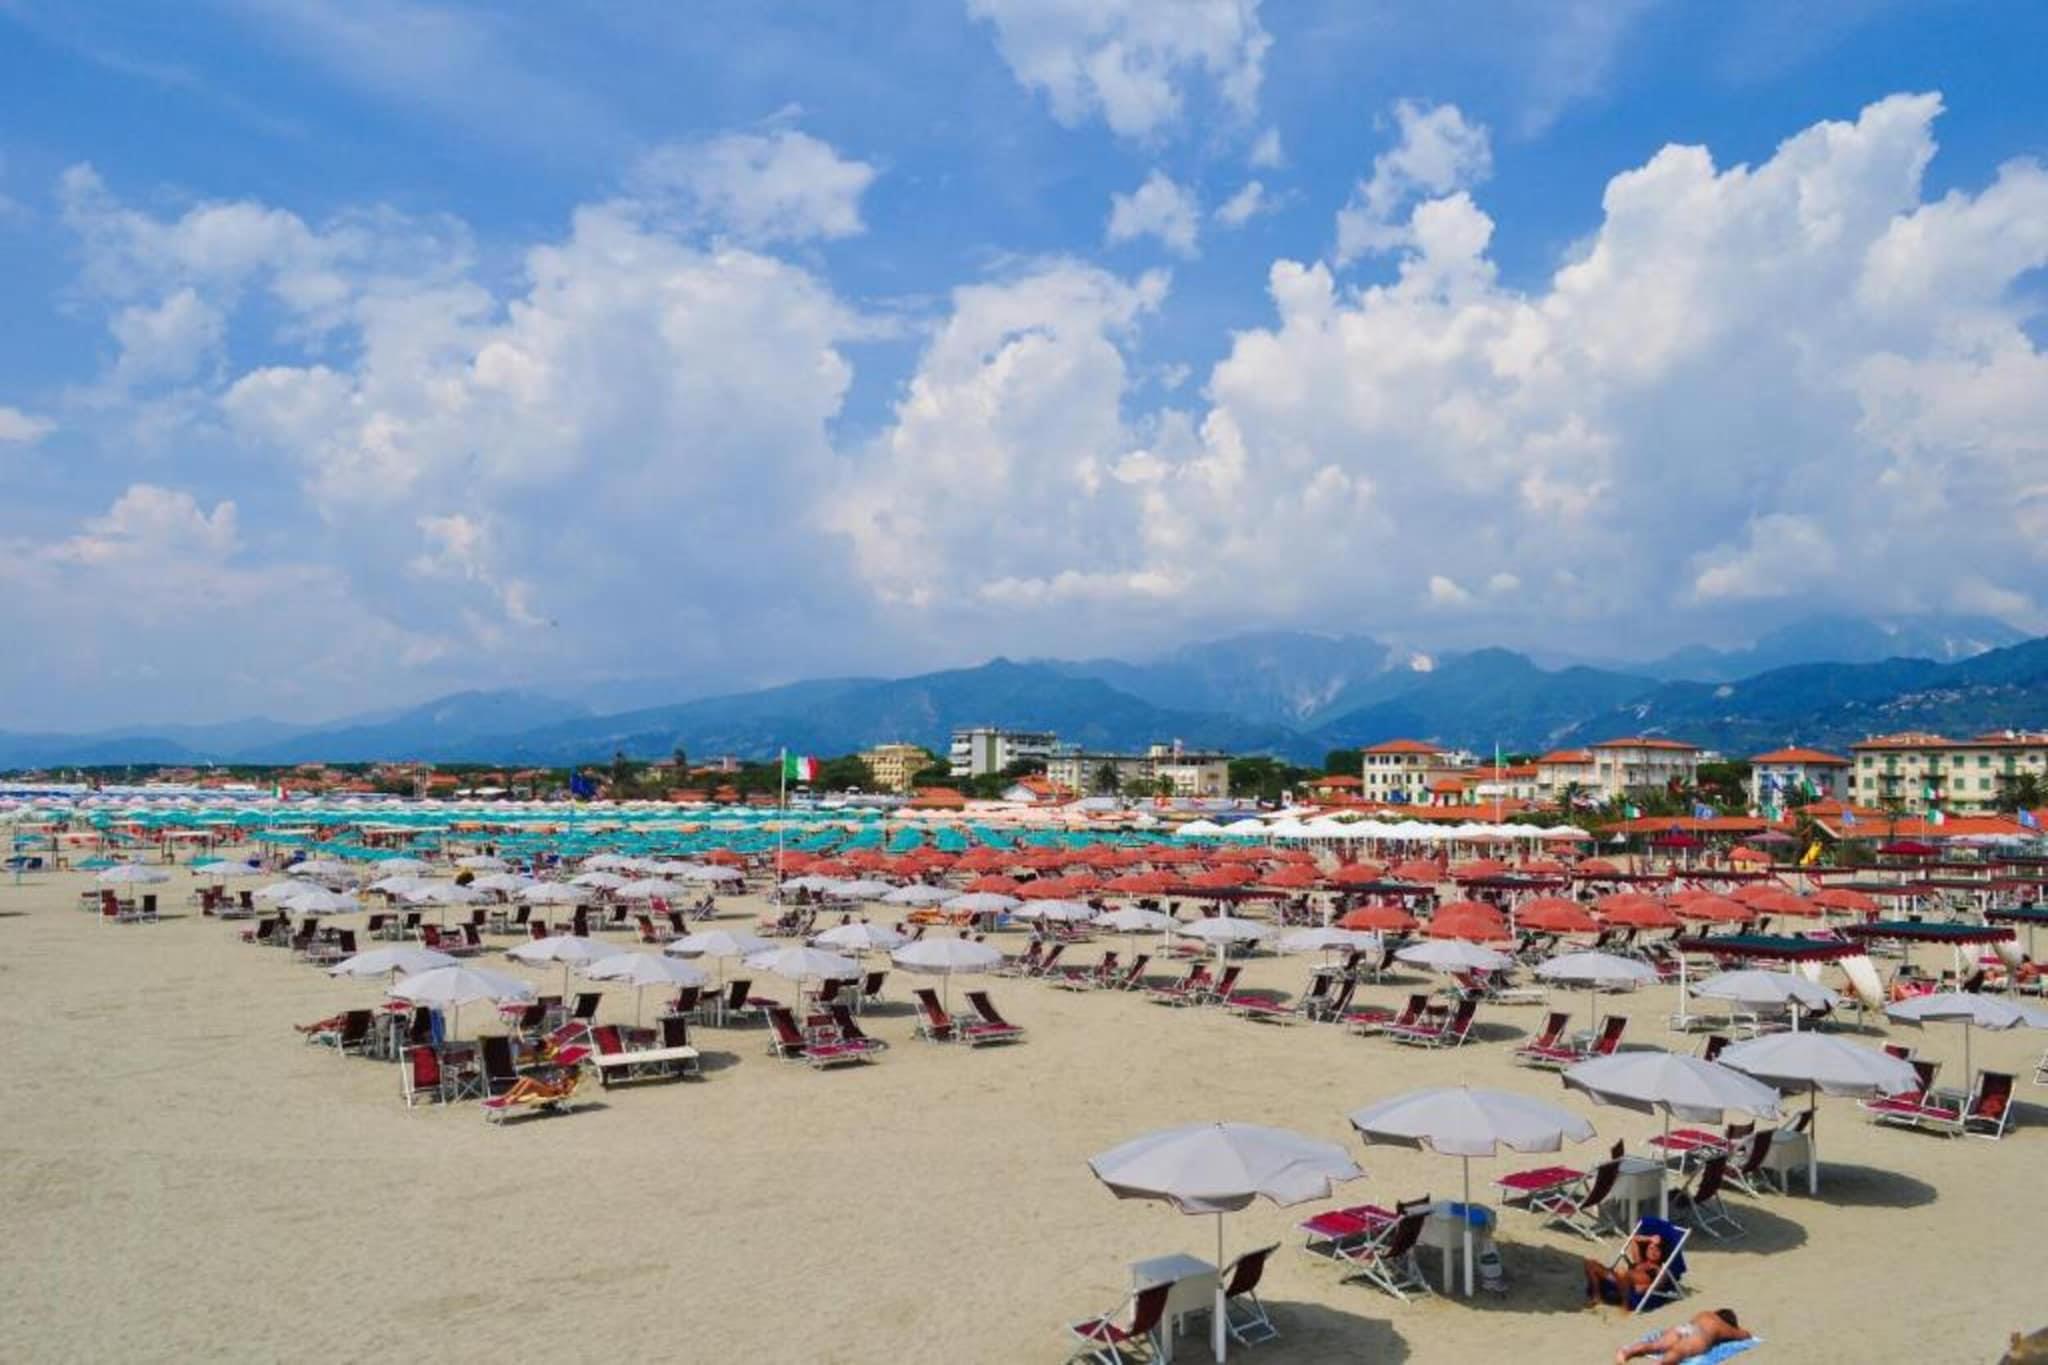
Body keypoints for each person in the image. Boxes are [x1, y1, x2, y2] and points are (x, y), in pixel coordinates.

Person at [1617, 1309, 1751, 1364]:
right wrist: (1735, 1329)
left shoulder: (1705, 1313)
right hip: (1700, 1334)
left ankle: (1626, 1351)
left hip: (1683, 1328)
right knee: (1679, 1351)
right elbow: (1745, 1335)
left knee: (1656, 1345)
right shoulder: (1723, 1326)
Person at [1584, 1230, 1664, 1306]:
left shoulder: (1658, 1269)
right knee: (1590, 1264)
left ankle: (1622, 1302)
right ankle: (1597, 1296)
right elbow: (1633, 1239)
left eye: (1657, 1250)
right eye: (1651, 1248)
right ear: (1646, 1251)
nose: (1653, 1252)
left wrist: (1646, 1287)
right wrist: (1650, 1239)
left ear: (1661, 1254)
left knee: (1622, 1273)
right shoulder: (1639, 1261)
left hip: (1627, 1284)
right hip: (1618, 1279)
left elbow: (1660, 1284)